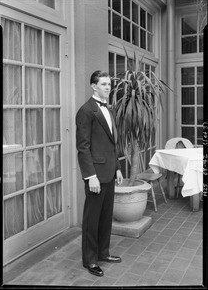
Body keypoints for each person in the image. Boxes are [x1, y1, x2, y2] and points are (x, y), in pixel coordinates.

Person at [76, 70, 123, 277]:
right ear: (93, 86)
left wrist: (118, 168)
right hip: (95, 175)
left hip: (110, 172)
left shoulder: (109, 109)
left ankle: (103, 253)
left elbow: (113, 143)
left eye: (109, 84)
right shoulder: (86, 111)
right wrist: (90, 176)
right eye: (104, 84)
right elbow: (83, 147)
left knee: (105, 217)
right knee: (92, 219)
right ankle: (90, 259)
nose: (108, 87)